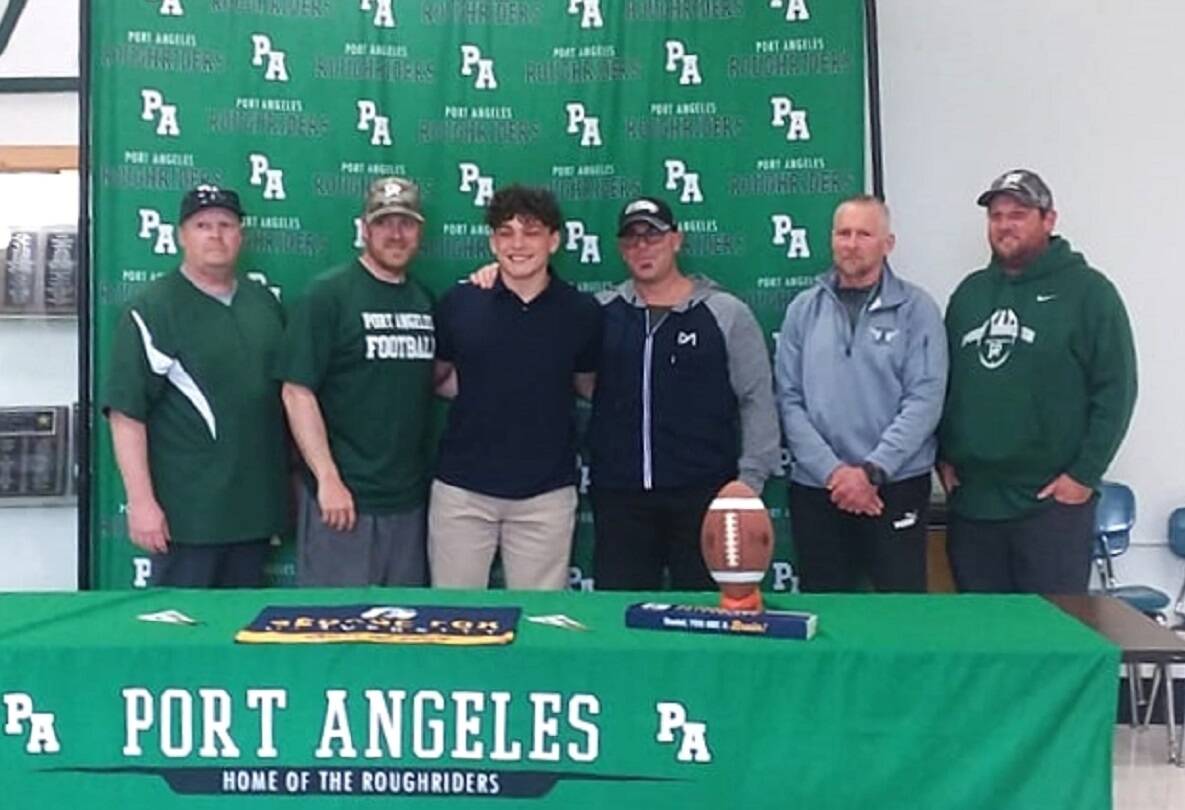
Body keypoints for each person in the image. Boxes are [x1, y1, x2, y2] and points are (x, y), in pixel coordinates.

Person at [939, 169, 1137, 594]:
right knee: (984, 631)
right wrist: (944, 456)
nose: (1004, 225)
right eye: (996, 216)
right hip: (974, 507)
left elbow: (1117, 390)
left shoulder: (1089, 293)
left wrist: (1083, 476)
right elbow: (940, 383)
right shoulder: (968, 295)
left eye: (1018, 214)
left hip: (1050, 507)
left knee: (1053, 628)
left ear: (1049, 220)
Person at [588, 196, 781, 591]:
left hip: (704, 496)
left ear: (676, 240)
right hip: (621, 499)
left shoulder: (725, 312)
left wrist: (749, 482)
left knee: (704, 615)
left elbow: (757, 398)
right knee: (619, 617)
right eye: (632, 239)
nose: (642, 247)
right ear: (621, 249)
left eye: (653, 236)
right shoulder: (601, 313)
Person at [104, 185, 288, 587]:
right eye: (202, 225)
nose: (215, 235)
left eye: (226, 225)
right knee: (183, 622)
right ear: (181, 236)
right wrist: (141, 502)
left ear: (241, 235)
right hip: (187, 520)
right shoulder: (154, 308)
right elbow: (126, 413)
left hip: (254, 513)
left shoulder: (263, 303)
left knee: (243, 624)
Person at [429, 184, 602, 590]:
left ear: (554, 240)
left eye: (531, 232)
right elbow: (438, 377)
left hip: (545, 496)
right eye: (506, 233)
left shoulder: (581, 312)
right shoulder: (460, 302)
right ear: (493, 242)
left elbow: (586, 384)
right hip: (463, 492)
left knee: (539, 620)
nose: (518, 244)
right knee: (453, 617)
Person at [774, 195, 947, 592]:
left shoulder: (916, 309)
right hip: (819, 488)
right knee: (826, 611)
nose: (851, 244)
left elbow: (924, 399)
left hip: (895, 485)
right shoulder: (803, 309)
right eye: (844, 233)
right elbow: (789, 399)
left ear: (888, 244)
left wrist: (872, 471)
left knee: (898, 612)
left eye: (864, 234)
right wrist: (835, 474)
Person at [275, 176, 436, 586]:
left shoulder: (423, 299)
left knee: (403, 621)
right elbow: (296, 391)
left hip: (407, 503)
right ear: (365, 229)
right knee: (336, 620)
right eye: (384, 223)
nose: (396, 234)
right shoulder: (327, 295)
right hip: (343, 501)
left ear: (419, 232)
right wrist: (328, 478)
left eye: (406, 223)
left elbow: (438, 380)